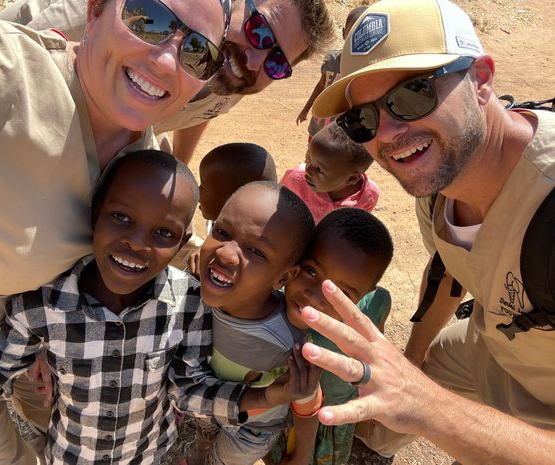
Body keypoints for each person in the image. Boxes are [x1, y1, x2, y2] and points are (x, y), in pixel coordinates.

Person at [0, 1, 229, 463]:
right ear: (94, 10)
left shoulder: (141, 161)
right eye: (148, 18)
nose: (169, 60)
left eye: (198, 52)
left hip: (21, 350)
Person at [300, 0, 555, 463]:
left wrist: (428, 406)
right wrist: (412, 364)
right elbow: (450, 274)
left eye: (412, 95)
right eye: (363, 119)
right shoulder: (443, 178)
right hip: (491, 342)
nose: (389, 132)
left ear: (481, 79)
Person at [0, 0, 335, 163]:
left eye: (278, 62)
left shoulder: (235, 79)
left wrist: (180, 164)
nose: (255, 60)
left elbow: (206, 111)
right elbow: (16, 65)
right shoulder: (135, 13)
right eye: (259, 30)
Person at [193, 181, 320, 465]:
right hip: (207, 406)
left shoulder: (289, 341)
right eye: (222, 232)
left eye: (257, 252)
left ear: (284, 277)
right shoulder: (194, 294)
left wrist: (302, 454)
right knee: (202, 443)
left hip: (251, 430)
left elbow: (307, 400)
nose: (225, 253)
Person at [269, 207, 393, 465]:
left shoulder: (373, 306)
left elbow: (376, 347)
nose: (315, 298)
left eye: (341, 294)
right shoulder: (271, 298)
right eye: (312, 271)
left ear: (365, 294)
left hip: (333, 418)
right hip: (281, 411)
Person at [183, 142, 278, 276]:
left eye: (203, 187)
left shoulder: (265, 242)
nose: (197, 192)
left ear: (232, 200)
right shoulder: (218, 222)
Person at [281, 123, 379, 223]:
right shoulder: (294, 181)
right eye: (308, 158)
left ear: (352, 179)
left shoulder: (368, 196)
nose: (308, 171)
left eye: (320, 170)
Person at [295, 5, 367, 141]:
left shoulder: (364, 68)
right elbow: (321, 85)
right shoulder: (331, 59)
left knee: (332, 154)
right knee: (312, 150)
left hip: (342, 125)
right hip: (321, 118)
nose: (355, 38)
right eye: (352, 33)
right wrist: (306, 108)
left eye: (361, 33)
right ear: (344, 33)